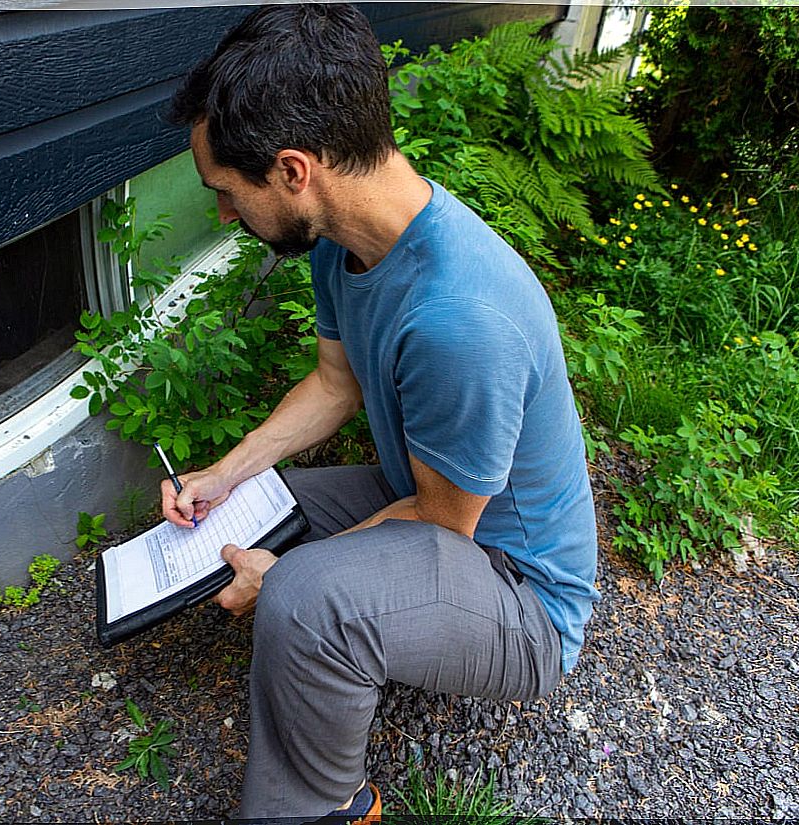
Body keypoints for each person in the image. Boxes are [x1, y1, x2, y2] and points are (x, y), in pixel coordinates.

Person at [162, 4, 600, 820]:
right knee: (274, 503)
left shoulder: (459, 316)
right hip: (447, 515)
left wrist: (289, 579)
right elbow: (335, 383)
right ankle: (314, 604)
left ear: (294, 170)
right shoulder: (350, 239)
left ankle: (326, 806)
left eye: (226, 192)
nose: (224, 214)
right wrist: (224, 475)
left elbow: (444, 521)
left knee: (301, 596)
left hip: (523, 600)